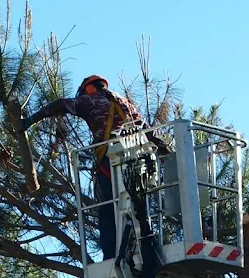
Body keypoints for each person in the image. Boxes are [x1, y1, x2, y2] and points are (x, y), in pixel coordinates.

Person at [20, 75, 163, 262]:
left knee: (106, 209)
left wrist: (30, 120)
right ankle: (145, 249)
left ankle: (111, 257)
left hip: (112, 159)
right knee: (139, 208)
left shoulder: (90, 100)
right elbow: (148, 131)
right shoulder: (127, 104)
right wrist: (167, 150)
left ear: (89, 88)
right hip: (139, 160)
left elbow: (61, 104)